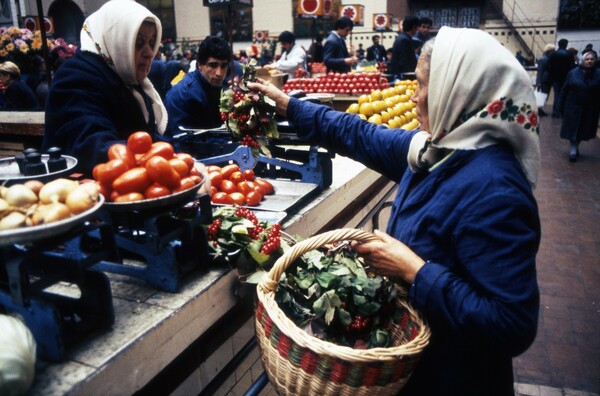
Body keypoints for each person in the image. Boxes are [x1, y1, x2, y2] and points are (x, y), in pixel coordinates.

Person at [248, 26, 541, 394]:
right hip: (422, 370)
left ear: (457, 91)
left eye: (422, 86)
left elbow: (511, 324)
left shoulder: (495, 191)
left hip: (457, 379)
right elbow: (358, 133)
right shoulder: (435, 150)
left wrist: (415, 271)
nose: (415, 97)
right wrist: (290, 106)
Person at [42, 0, 169, 176]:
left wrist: (175, 154)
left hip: (127, 185)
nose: (149, 52)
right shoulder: (76, 77)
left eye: (151, 42)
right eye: (138, 42)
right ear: (115, 40)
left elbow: (146, 138)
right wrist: (164, 161)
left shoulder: (127, 78)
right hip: (86, 194)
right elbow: (93, 144)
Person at [164, 36, 232, 136]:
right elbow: (181, 140)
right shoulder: (183, 94)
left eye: (223, 66)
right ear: (200, 65)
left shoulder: (217, 88)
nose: (219, 73)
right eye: (213, 65)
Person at [557, 50, 600, 162]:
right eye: (587, 59)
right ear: (582, 60)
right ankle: (573, 148)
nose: (589, 61)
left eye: (592, 59)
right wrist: (559, 105)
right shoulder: (573, 73)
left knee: (583, 128)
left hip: (590, 107)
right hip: (573, 106)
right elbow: (564, 90)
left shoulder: (598, 74)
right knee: (573, 128)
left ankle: (575, 146)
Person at [547, 38, 575, 118]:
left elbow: (549, 66)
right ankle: (561, 111)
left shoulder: (553, 54)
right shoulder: (569, 54)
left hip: (555, 78)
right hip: (565, 77)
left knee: (557, 94)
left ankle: (555, 111)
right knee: (564, 94)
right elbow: (572, 67)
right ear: (566, 44)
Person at [535, 44, 556, 116]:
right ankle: (539, 109)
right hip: (544, 80)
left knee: (545, 95)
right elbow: (540, 71)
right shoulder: (543, 59)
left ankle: (540, 109)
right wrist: (538, 82)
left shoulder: (548, 59)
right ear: (549, 51)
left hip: (547, 80)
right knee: (542, 95)